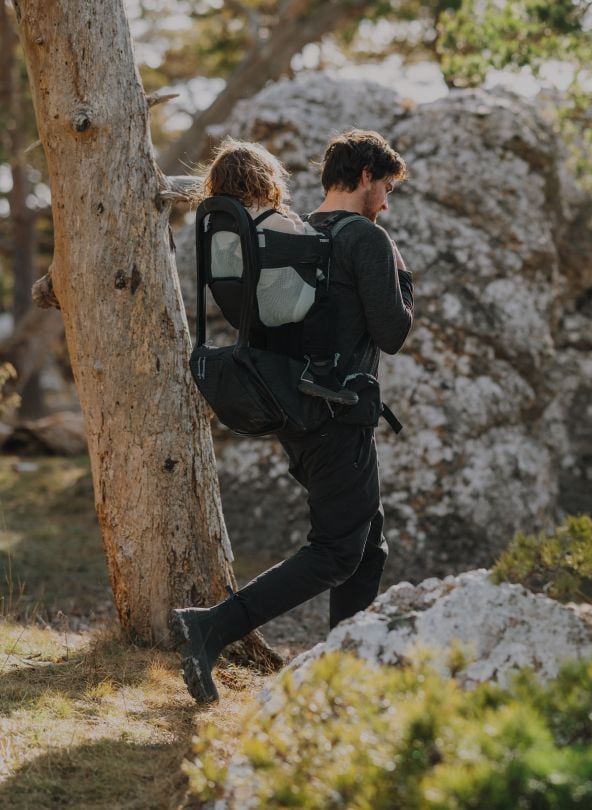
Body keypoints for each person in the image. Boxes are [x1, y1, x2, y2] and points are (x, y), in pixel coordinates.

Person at [170, 129, 413, 704]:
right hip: (338, 415)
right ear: (361, 179)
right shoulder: (365, 240)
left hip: (294, 408)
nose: (387, 200)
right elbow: (394, 333)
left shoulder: (300, 231)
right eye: (385, 187)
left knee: (367, 542)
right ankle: (213, 627)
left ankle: (345, 669)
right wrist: (400, 269)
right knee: (337, 551)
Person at [199, 136, 357, 406]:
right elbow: (313, 244)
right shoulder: (268, 217)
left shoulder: (217, 219)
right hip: (271, 306)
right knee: (328, 296)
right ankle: (320, 372)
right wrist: (298, 220)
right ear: (264, 179)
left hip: (240, 309)